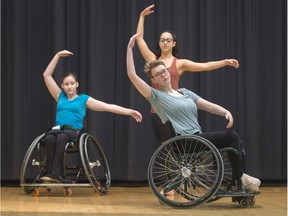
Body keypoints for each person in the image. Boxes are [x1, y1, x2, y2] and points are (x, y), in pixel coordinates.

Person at [126, 34, 260, 193]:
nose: (163, 74)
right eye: (158, 74)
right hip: (184, 141)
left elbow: (207, 106)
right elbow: (132, 76)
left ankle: (239, 179)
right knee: (232, 137)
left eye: (164, 71)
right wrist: (129, 49)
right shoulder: (157, 97)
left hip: (197, 138)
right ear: (154, 79)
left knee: (234, 142)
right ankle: (241, 179)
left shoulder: (185, 93)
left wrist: (225, 112)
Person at [136, 4, 240, 145]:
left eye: (168, 40)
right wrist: (142, 16)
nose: (165, 42)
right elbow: (139, 39)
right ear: (159, 43)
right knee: (165, 149)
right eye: (162, 40)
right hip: (158, 111)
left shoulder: (180, 63)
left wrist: (224, 62)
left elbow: (205, 66)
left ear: (174, 43)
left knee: (180, 148)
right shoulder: (153, 60)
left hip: (175, 111)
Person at [40, 50, 142, 182]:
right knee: (49, 139)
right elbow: (46, 75)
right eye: (66, 84)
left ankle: (57, 174)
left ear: (77, 84)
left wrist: (129, 111)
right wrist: (57, 56)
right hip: (58, 129)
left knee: (60, 138)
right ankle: (48, 173)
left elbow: (107, 106)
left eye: (72, 83)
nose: (69, 86)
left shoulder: (83, 99)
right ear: (62, 86)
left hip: (73, 131)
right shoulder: (60, 96)